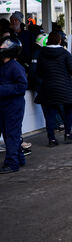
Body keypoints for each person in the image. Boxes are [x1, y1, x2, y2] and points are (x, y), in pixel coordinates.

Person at [36, 32, 72, 147]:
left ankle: (51, 139)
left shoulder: (42, 54)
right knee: (68, 109)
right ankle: (68, 134)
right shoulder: (65, 53)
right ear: (59, 41)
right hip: (65, 87)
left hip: (48, 87)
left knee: (50, 114)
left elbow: (39, 72)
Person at [0, 36, 27, 174]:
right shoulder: (4, 66)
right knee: (9, 134)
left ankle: (12, 163)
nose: (1, 48)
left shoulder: (15, 67)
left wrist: (2, 89)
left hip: (13, 106)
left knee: (11, 134)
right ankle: (19, 158)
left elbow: (22, 86)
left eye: (4, 46)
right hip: (6, 106)